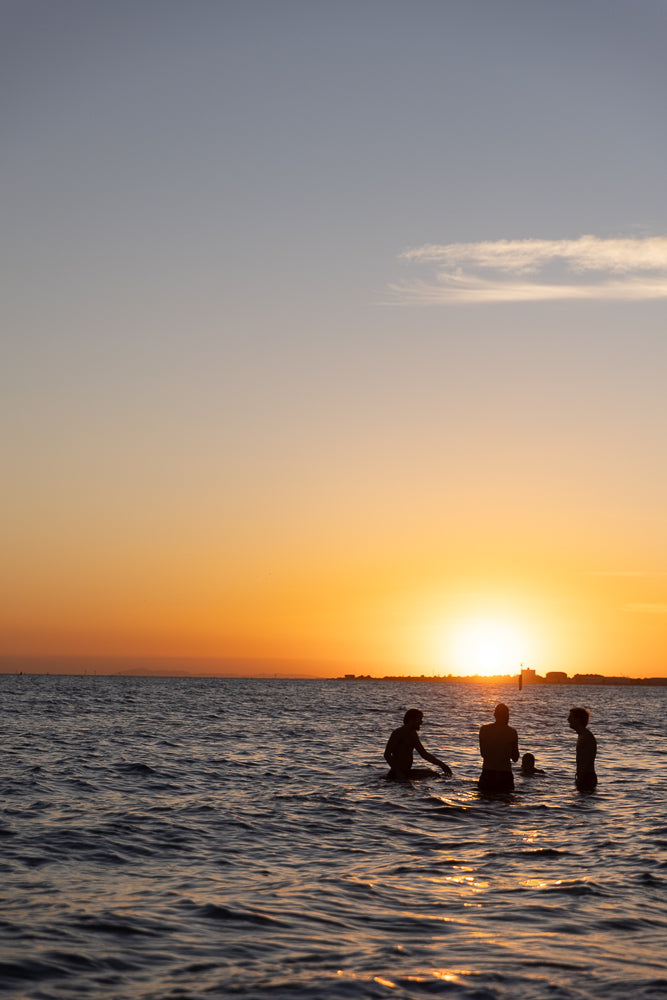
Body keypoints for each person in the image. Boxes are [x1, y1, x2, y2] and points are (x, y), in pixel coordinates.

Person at [384, 709, 452, 780]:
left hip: (407, 772)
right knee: (434, 776)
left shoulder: (413, 734)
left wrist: (443, 765)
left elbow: (424, 754)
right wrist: (398, 773)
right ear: (411, 720)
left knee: (434, 775)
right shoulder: (398, 733)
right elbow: (387, 754)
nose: (421, 722)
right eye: (419, 719)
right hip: (397, 774)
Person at [478, 703, 519, 793]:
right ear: (507, 716)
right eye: (508, 715)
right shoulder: (512, 732)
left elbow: (483, 754)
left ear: (495, 715)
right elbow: (515, 758)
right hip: (505, 775)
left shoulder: (484, 730)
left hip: (488, 773)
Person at [568, 707, 597, 792]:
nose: (568, 720)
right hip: (584, 776)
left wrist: (581, 778)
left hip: (586, 777)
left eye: (571, 717)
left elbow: (588, 760)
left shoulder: (586, 737)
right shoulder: (582, 735)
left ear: (578, 719)